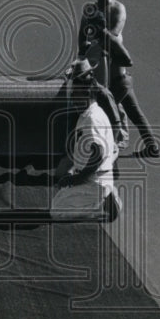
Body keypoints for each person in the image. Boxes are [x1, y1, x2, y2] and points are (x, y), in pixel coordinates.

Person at [78, 0, 159, 157]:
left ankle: (106, 150)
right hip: (101, 76)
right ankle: (152, 147)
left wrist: (98, 29)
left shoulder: (117, 8)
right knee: (131, 112)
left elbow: (113, 35)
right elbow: (81, 38)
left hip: (118, 77)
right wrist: (84, 49)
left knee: (111, 113)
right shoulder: (90, 10)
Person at [51, 59, 122, 221]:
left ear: (87, 92)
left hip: (94, 180)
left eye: (76, 94)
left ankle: (102, 207)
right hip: (90, 176)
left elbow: (98, 154)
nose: (73, 98)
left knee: (57, 213)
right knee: (59, 196)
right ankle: (102, 196)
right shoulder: (88, 112)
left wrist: (76, 179)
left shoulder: (92, 118)